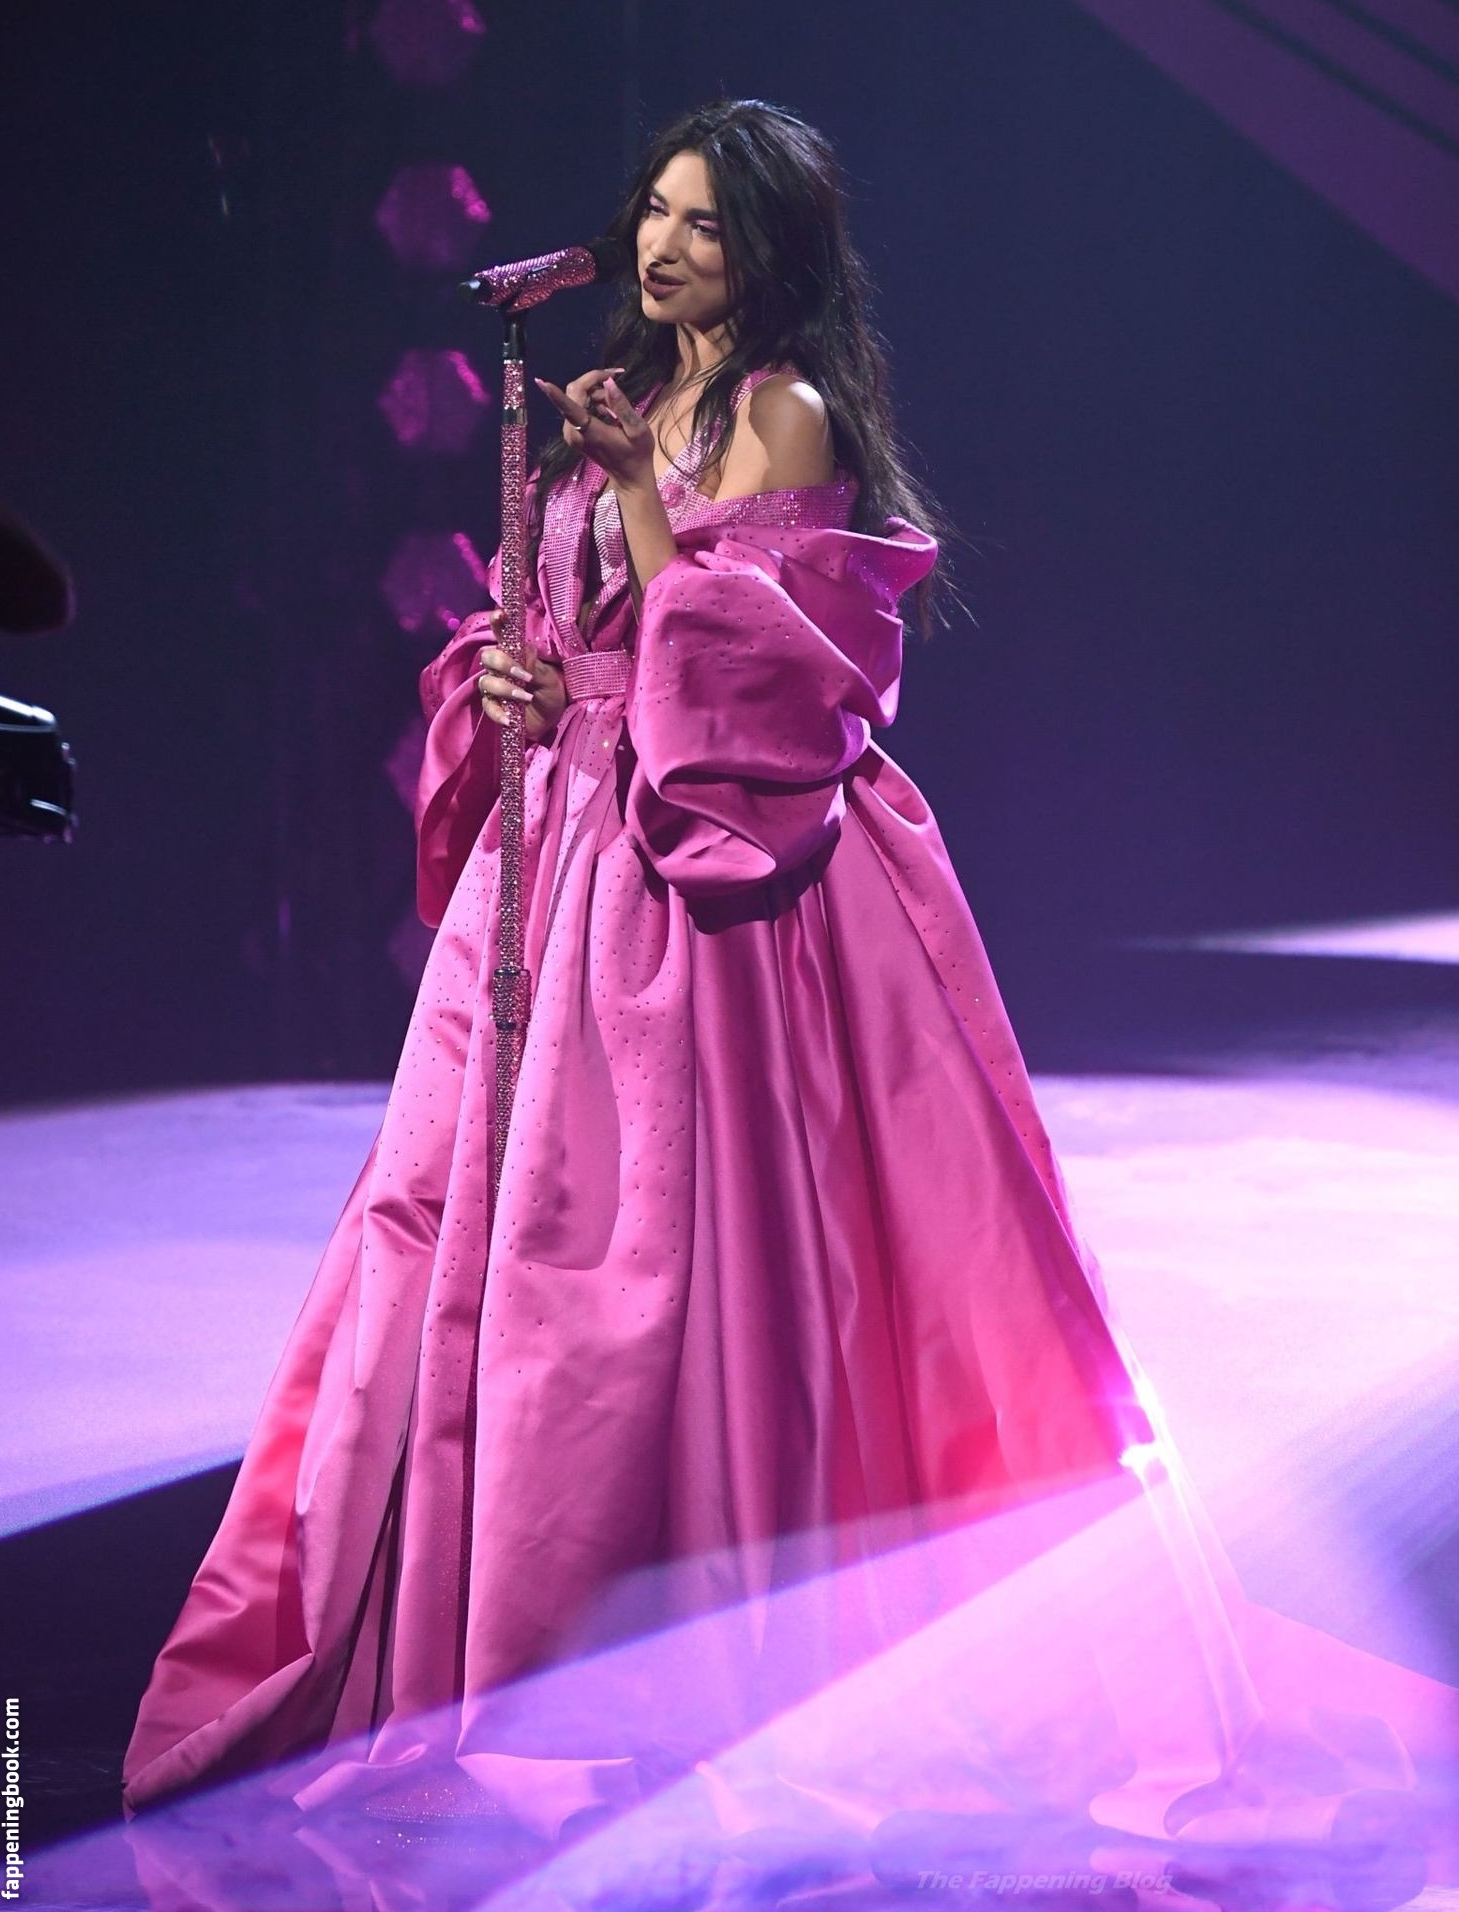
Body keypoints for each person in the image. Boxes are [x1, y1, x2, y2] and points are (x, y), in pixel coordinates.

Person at [120, 99, 1452, 1857]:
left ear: (770, 254)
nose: (664, 247)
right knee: (480, 1238)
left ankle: (705, 1646)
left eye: (705, 225)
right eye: (654, 214)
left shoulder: (782, 411)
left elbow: (752, 662)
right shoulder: (629, 395)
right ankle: (474, 1626)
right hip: (564, 861)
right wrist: (511, 674)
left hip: (710, 876)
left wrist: (625, 494)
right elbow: (564, 624)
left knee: (688, 1253)